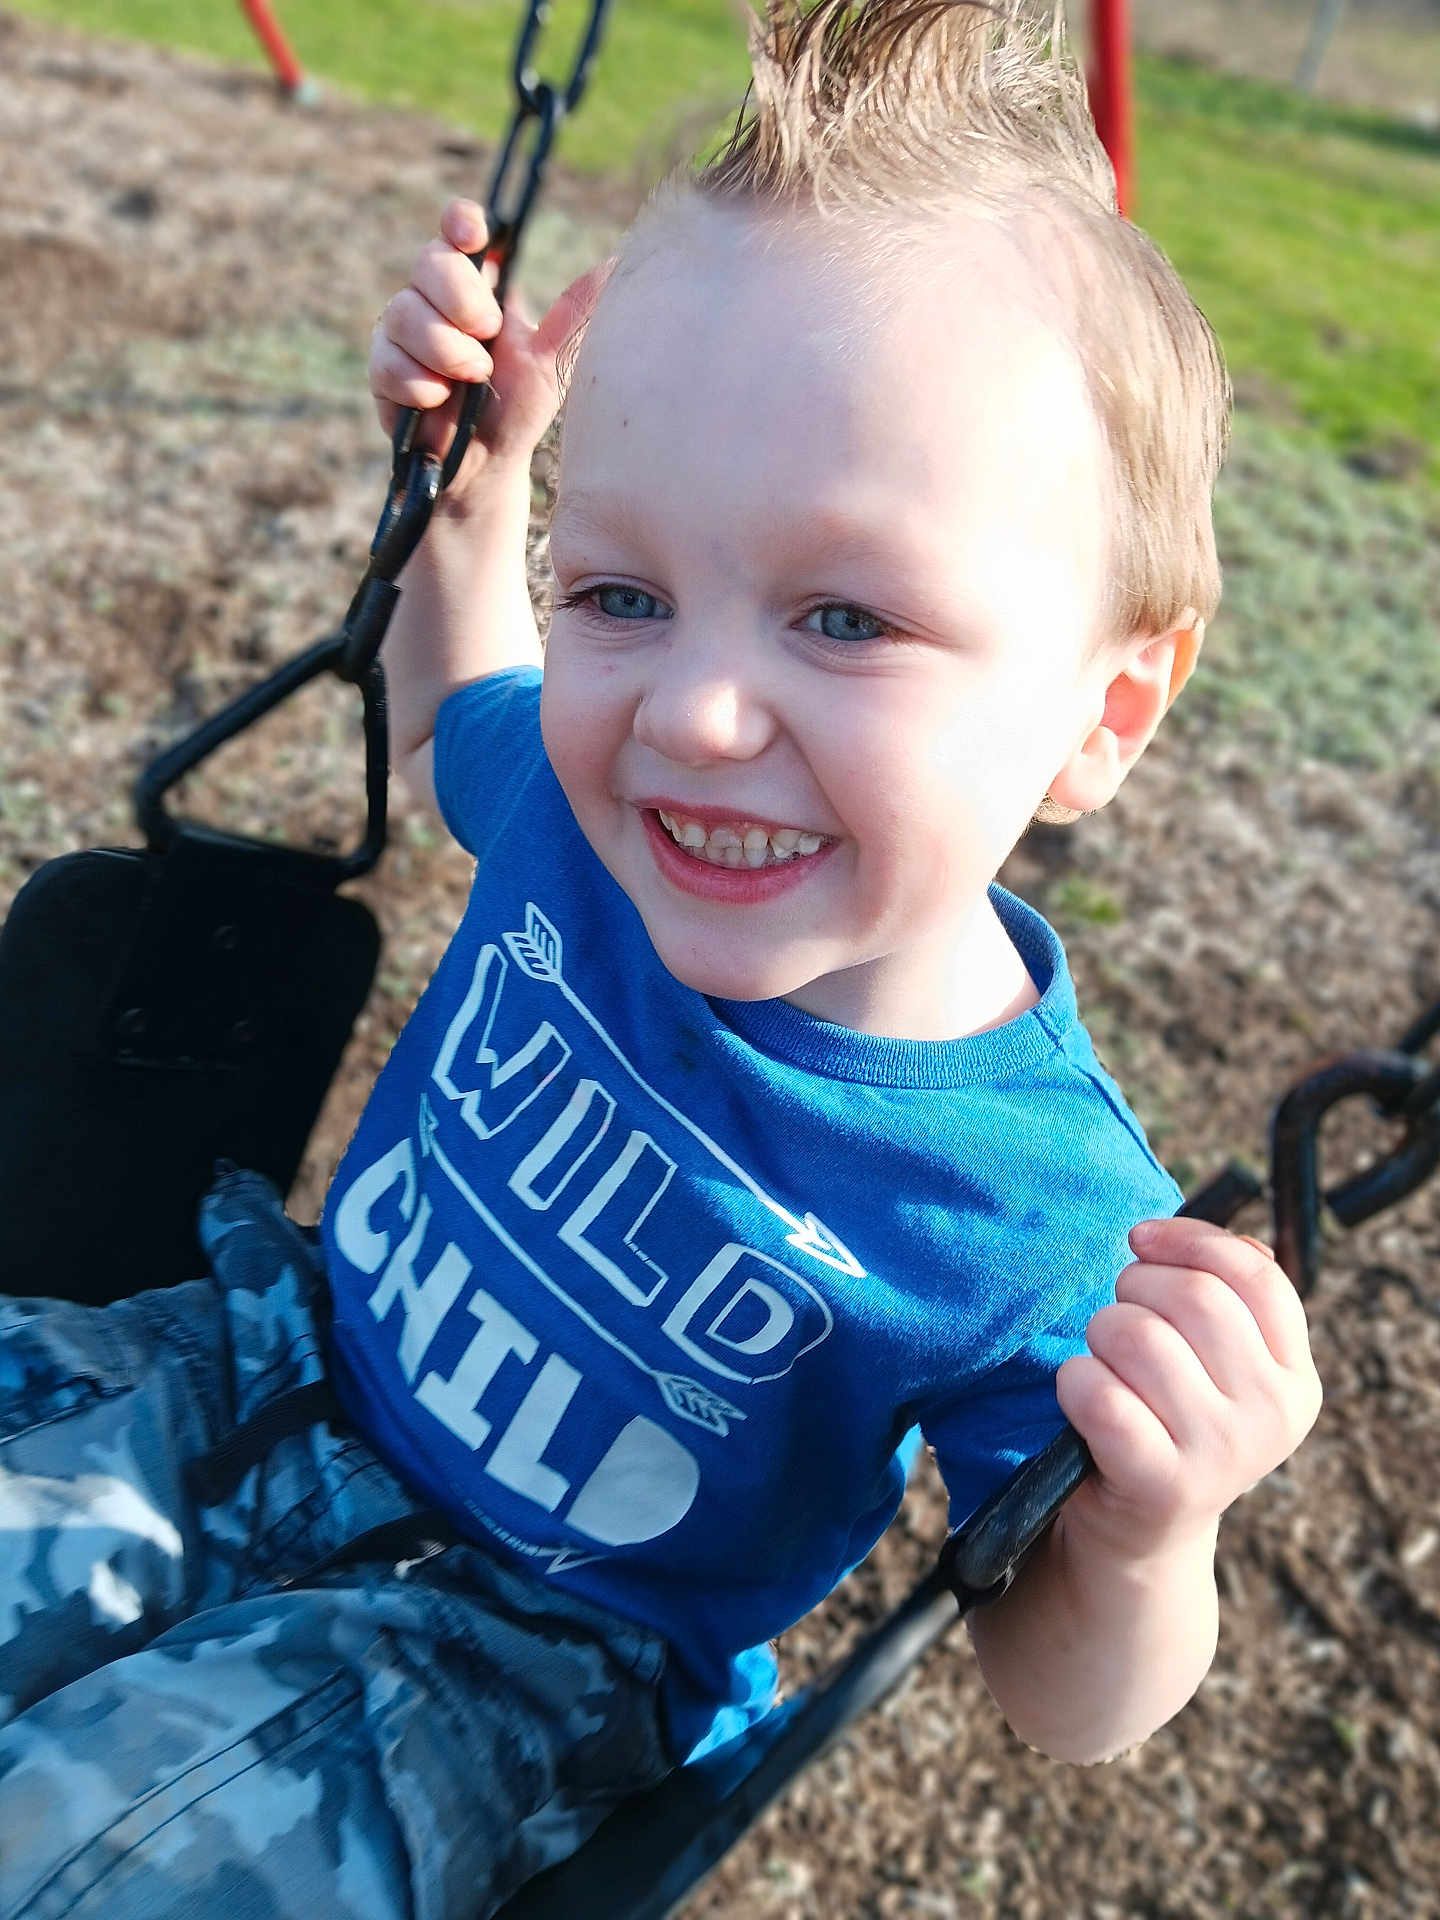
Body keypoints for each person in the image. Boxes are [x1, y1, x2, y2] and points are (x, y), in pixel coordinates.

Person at [0, 3, 1322, 1915]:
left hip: (514, 1656)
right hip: (245, 1359)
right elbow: (465, 694)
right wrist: (467, 494)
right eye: (620, 591)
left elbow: (1067, 1700)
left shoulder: (1040, 1220)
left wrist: (1145, 1535)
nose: (695, 713)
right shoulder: (581, 812)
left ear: (1105, 715)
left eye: (846, 617)